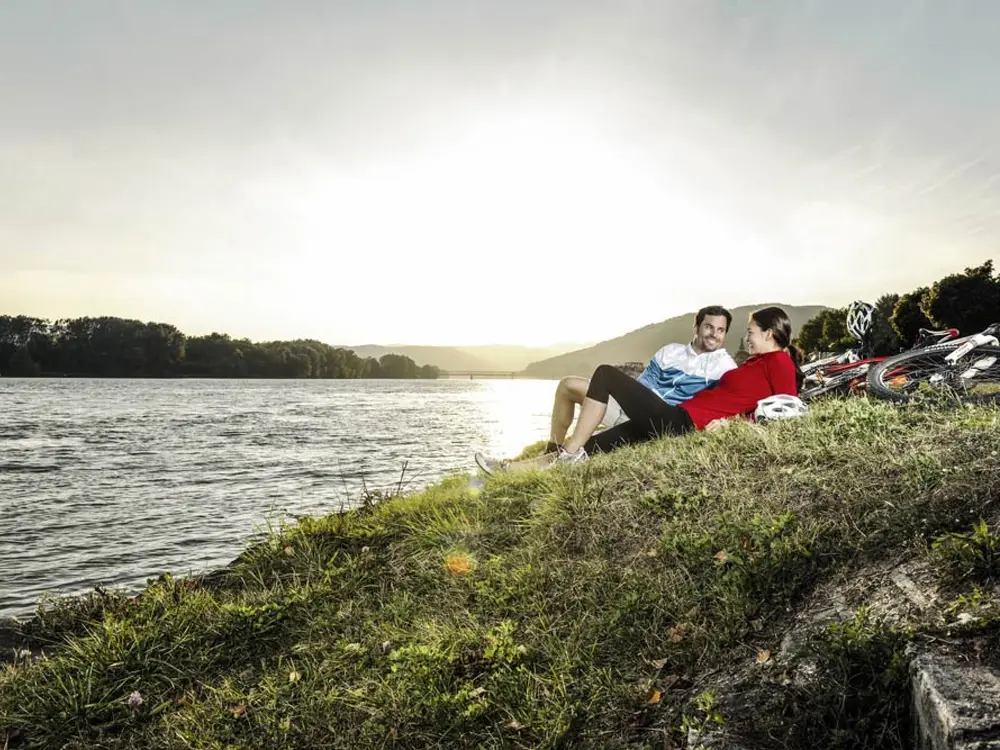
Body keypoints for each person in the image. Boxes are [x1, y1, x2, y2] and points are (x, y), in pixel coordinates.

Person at [477, 306, 803, 474]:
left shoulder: (778, 362)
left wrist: (735, 425)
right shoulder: (750, 364)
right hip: (673, 421)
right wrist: (735, 418)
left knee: (605, 374)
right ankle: (508, 470)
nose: (746, 337)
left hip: (683, 422)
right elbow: (748, 402)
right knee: (593, 447)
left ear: (771, 332)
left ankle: (569, 454)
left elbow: (787, 410)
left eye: (751, 332)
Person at [540, 305, 738, 455]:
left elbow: (733, 401)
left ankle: (570, 451)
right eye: (709, 327)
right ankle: (553, 447)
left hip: (662, 421)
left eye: (721, 330)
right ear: (696, 326)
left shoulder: (725, 366)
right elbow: (644, 384)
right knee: (568, 385)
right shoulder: (670, 351)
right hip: (634, 409)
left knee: (590, 445)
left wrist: (725, 423)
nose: (714, 334)